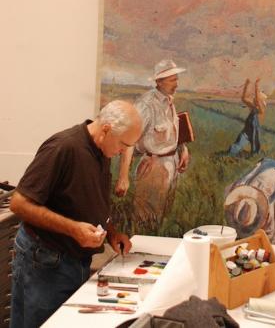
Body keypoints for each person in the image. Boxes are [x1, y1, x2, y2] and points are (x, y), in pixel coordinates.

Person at [10, 100, 142, 328]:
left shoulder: (102, 150)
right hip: (45, 261)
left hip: (73, 261)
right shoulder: (63, 147)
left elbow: (90, 200)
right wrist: (73, 228)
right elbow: (19, 204)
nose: (122, 152)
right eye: (123, 145)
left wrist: (111, 233)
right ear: (107, 129)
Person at [115, 59, 190, 234]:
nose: (176, 84)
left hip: (172, 164)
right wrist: (123, 177)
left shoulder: (168, 101)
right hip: (153, 167)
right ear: (159, 82)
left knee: (163, 215)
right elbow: (129, 140)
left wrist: (183, 149)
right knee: (146, 219)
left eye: (176, 79)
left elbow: (172, 130)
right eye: (172, 80)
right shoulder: (146, 105)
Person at [228, 77, 267, 156]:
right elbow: (244, 98)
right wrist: (246, 85)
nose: (254, 100)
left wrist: (256, 86)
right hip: (247, 131)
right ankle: (232, 153)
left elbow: (257, 100)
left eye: (256, 99)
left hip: (254, 131)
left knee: (255, 150)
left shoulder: (261, 108)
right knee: (235, 147)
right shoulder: (253, 107)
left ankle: (254, 155)